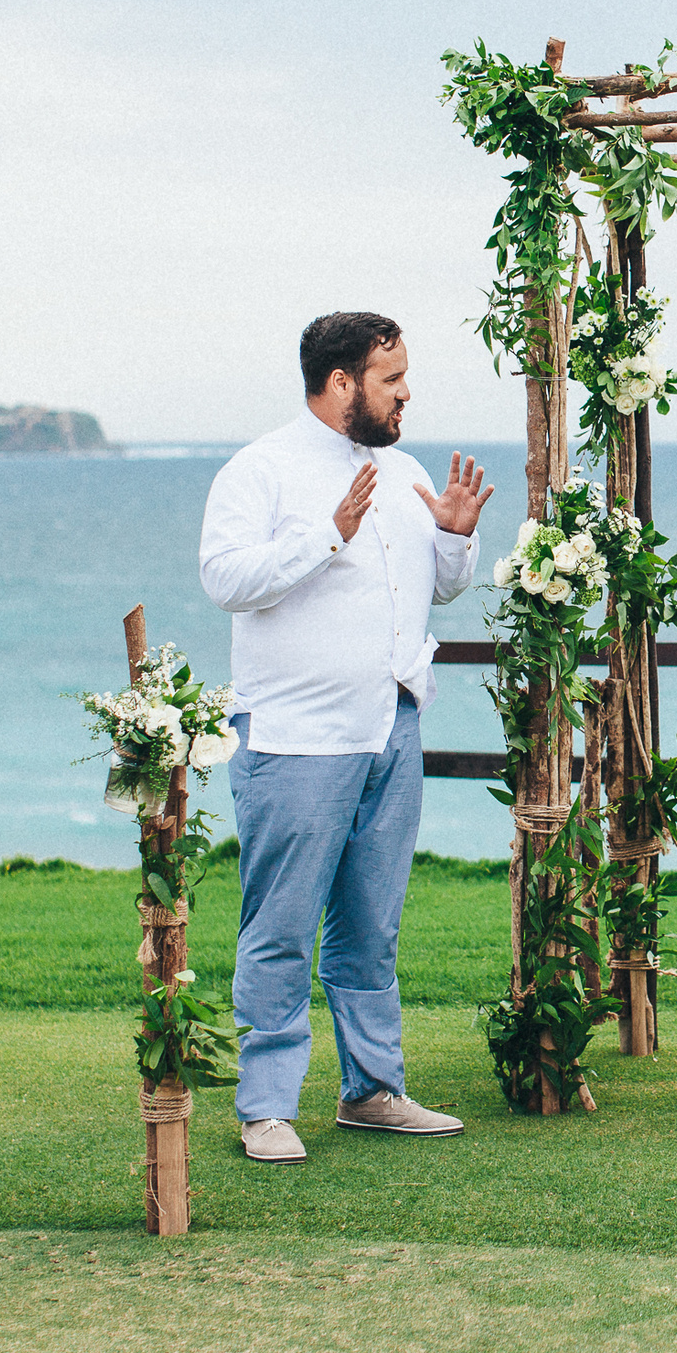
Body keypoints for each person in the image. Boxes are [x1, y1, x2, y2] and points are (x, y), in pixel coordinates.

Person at [198, 311, 494, 1164]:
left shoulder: (404, 472)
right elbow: (225, 578)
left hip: (390, 727)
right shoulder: (260, 470)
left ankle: (371, 1090)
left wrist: (456, 535)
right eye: (390, 379)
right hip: (296, 736)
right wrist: (328, 532)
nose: (406, 394)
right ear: (340, 383)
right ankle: (266, 1106)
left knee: (371, 925)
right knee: (281, 926)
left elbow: (433, 588)